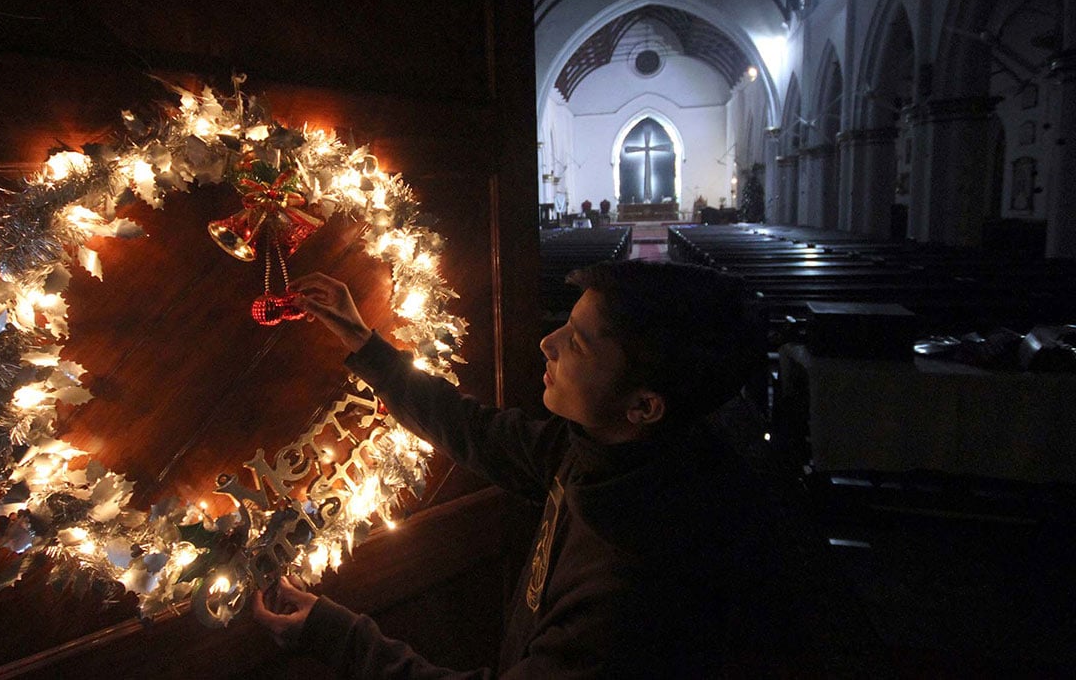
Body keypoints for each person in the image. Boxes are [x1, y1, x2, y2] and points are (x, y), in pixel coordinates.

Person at [253, 260, 815, 677]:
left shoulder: (636, 577)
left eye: (577, 344)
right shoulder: (607, 448)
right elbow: (476, 432)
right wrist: (363, 341)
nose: (546, 343)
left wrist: (336, 634)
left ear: (643, 405)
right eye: (563, 326)